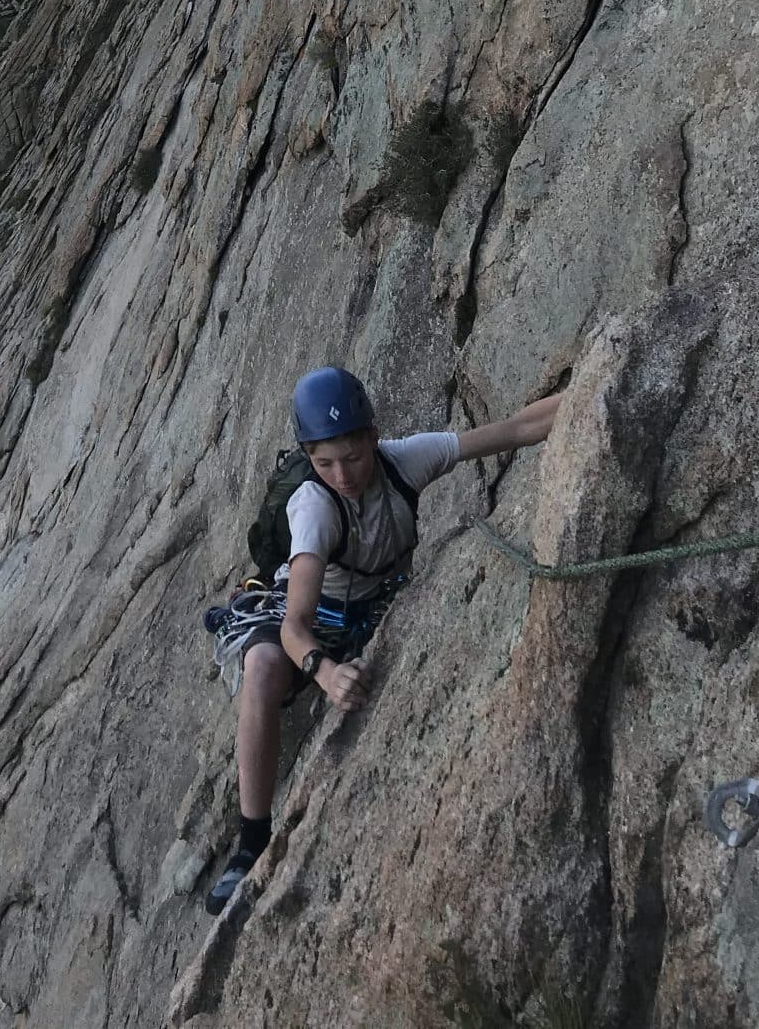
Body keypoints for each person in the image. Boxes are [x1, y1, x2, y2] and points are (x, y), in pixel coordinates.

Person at [204, 364, 563, 915]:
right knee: (263, 668)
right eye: (324, 463)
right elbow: (296, 627)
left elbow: (514, 430)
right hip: (313, 615)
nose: (342, 475)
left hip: (371, 609)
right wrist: (324, 672)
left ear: (374, 437)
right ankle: (250, 842)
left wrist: (589, 385)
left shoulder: (406, 460)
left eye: (352, 457)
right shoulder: (314, 506)